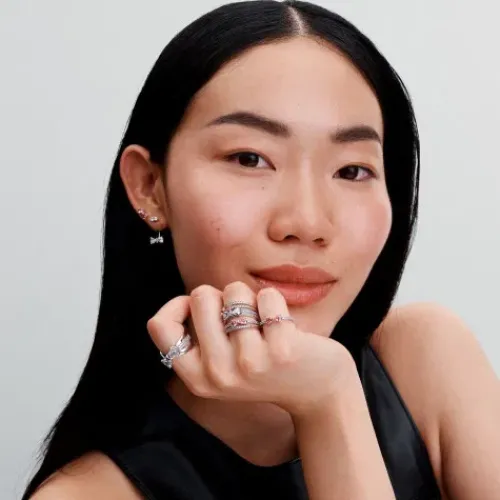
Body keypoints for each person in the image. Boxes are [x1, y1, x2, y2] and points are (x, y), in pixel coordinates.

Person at [23, 1, 500, 499]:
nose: (307, 224)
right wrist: (325, 400)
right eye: (249, 158)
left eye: (352, 170)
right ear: (149, 187)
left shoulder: (424, 359)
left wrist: (331, 400)